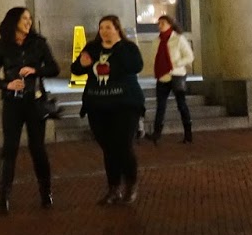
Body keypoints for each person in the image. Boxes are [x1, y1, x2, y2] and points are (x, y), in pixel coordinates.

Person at [0, 7, 59, 214]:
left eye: (29, 18)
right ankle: (3, 197)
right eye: (24, 18)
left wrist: (36, 70)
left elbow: (54, 68)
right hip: (12, 102)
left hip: (35, 101)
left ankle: (46, 193)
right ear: (14, 21)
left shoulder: (39, 43)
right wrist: (6, 85)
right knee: (9, 148)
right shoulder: (2, 46)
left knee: (38, 148)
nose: (28, 22)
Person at [77, 15, 146, 205]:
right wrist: (81, 64)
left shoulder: (128, 48)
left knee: (123, 145)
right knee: (108, 148)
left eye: (108, 27)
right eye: (101, 28)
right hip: (98, 106)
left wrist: (118, 46)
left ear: (117, 28)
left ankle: (131, 184)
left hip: (125, 105)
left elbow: (136, 66)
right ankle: (113, 188)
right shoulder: (92, 48)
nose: (104, 31)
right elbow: (77, 68)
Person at [146, 14, 194, 144]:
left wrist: (175, 64)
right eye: (159, 23)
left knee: (181, 104)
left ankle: (188, 134)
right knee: (160, 105)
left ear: (170, 24)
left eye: (163, 23)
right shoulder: (157, 40)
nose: (160, 25)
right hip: (162, 76)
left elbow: (189, 56)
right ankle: (157, 133)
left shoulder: (178, 39)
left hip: (177, 75)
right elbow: (154, 57)